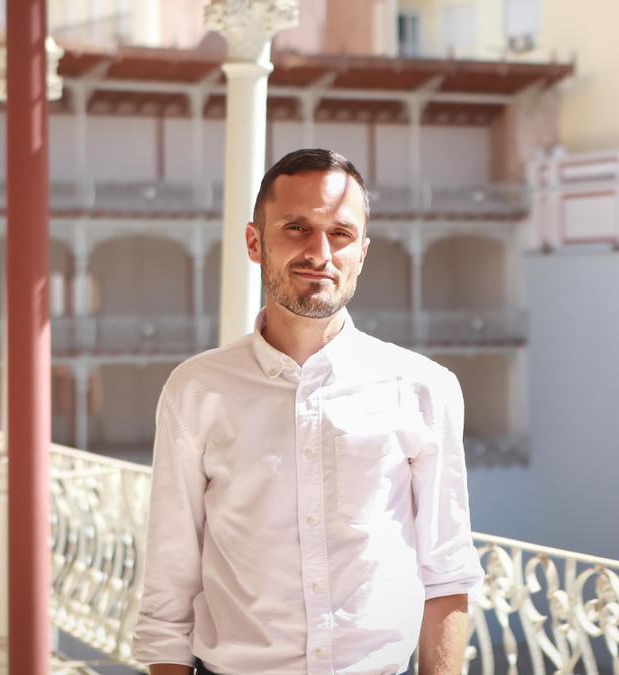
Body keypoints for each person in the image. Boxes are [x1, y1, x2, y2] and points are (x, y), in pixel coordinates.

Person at [131, 148, 483, 675]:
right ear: (255, 242)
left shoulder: (424, 388)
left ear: (361, 252)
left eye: (339, 234)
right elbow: (169, 582)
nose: (319, 252)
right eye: (296, 228)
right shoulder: (197, 390)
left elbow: (447, 574)